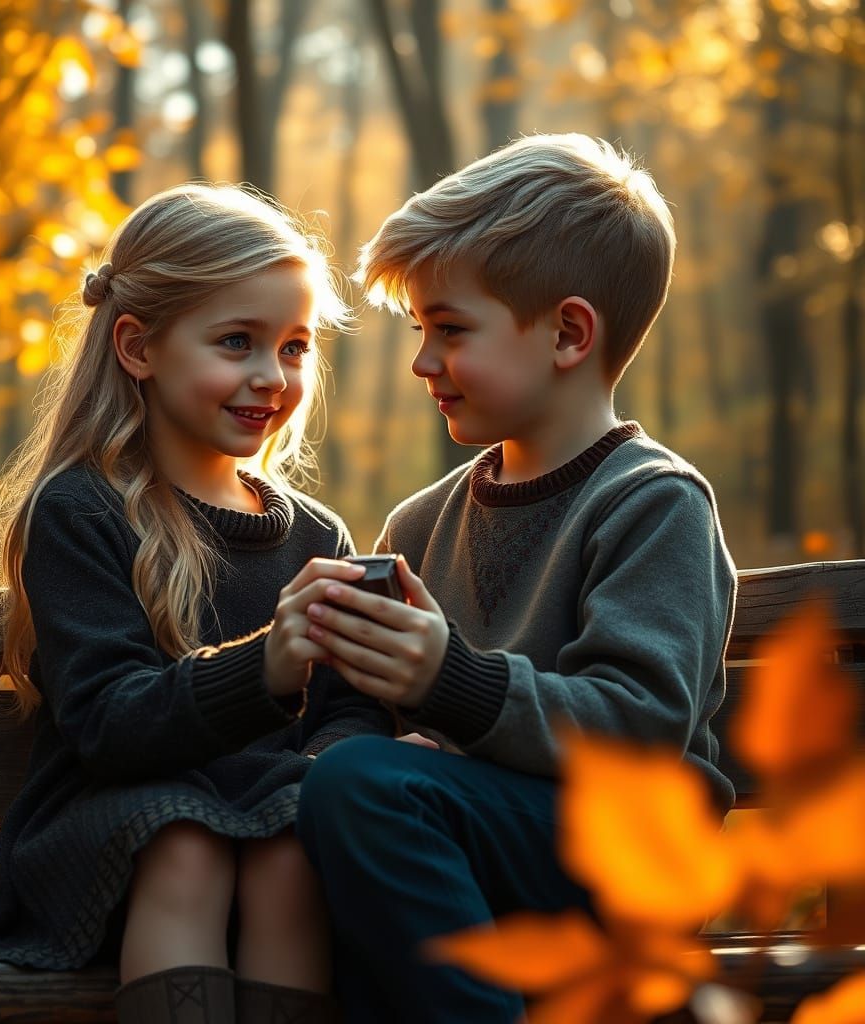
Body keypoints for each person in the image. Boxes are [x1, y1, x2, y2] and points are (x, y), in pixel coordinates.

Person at [0, 183, 392, 1024]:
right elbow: (108, 723)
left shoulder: (317, 532)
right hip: (110, 828)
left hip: (266, 826)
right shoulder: (82, 512)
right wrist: (266, 667)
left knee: (290, 845)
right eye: (237, 342)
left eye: (293, 347)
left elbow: (351, 714)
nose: (269, 376)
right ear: (139, 347)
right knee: (188, 841)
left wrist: (326, 771)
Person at [292, 133, 738, 1023]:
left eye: (450, 330)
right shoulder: (420, 524)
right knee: (342, 799)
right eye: (421, 330)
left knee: (365, 798)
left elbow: (641, 725)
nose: (423, 362)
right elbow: (350, 712)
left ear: (569, 332)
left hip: (623, 863)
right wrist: (355, 736)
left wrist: (449, 689)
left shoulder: (653, 504)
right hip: (459, 845)